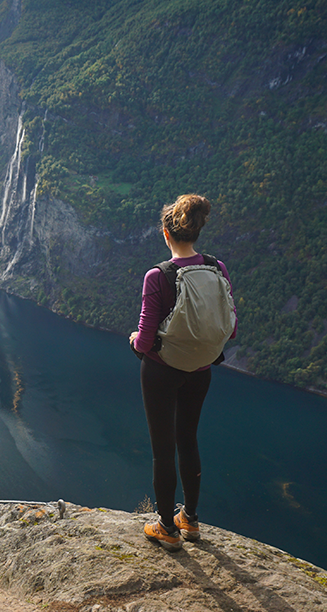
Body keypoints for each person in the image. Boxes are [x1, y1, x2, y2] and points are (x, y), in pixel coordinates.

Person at [130, 193, 234, 550]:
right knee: (188, 440)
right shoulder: (217, 269)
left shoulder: (158, 276)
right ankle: (189, 520)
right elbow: (229, 328)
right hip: (201, 369)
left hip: (162, 371)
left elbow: (145, 341)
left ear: (166, 233)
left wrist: (133, 341)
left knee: (163, 450)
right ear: (197, 231)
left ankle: (166, 529)